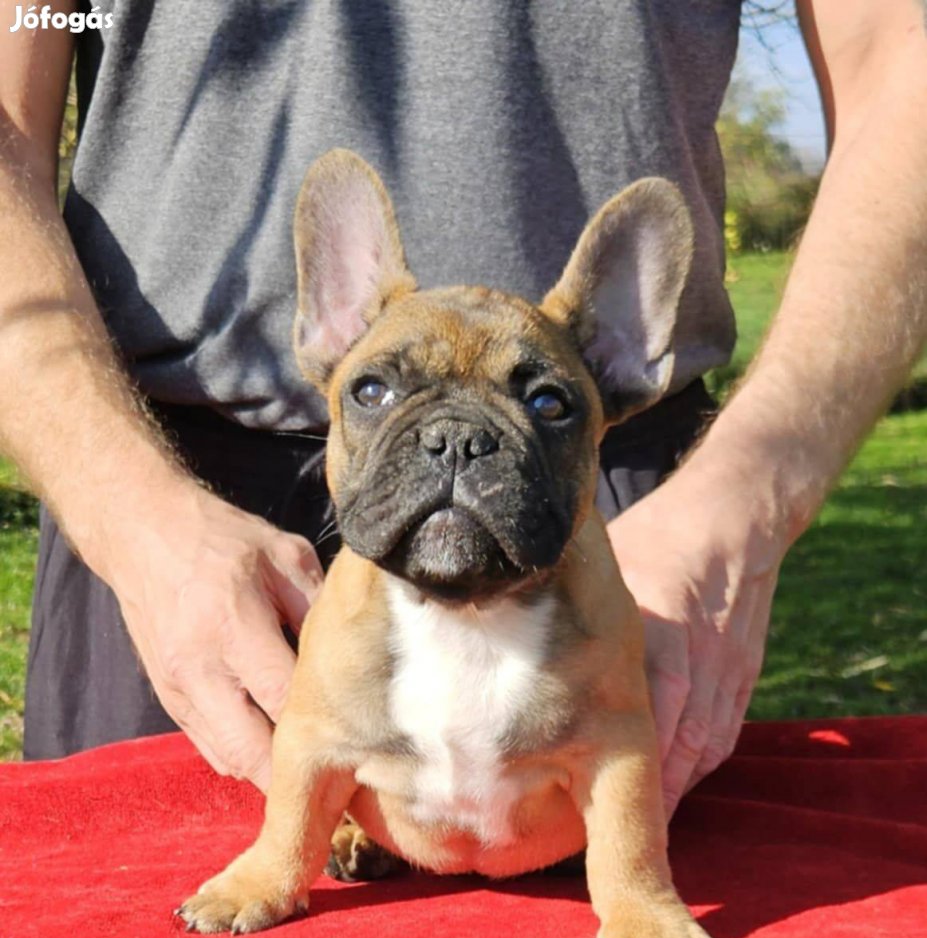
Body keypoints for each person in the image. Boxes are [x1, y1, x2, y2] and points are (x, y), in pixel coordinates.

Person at [1, 1, 925, 814]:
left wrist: (746, 502)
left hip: (608, 500)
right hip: (171, 515)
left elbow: (901, 50)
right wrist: (127, 513)